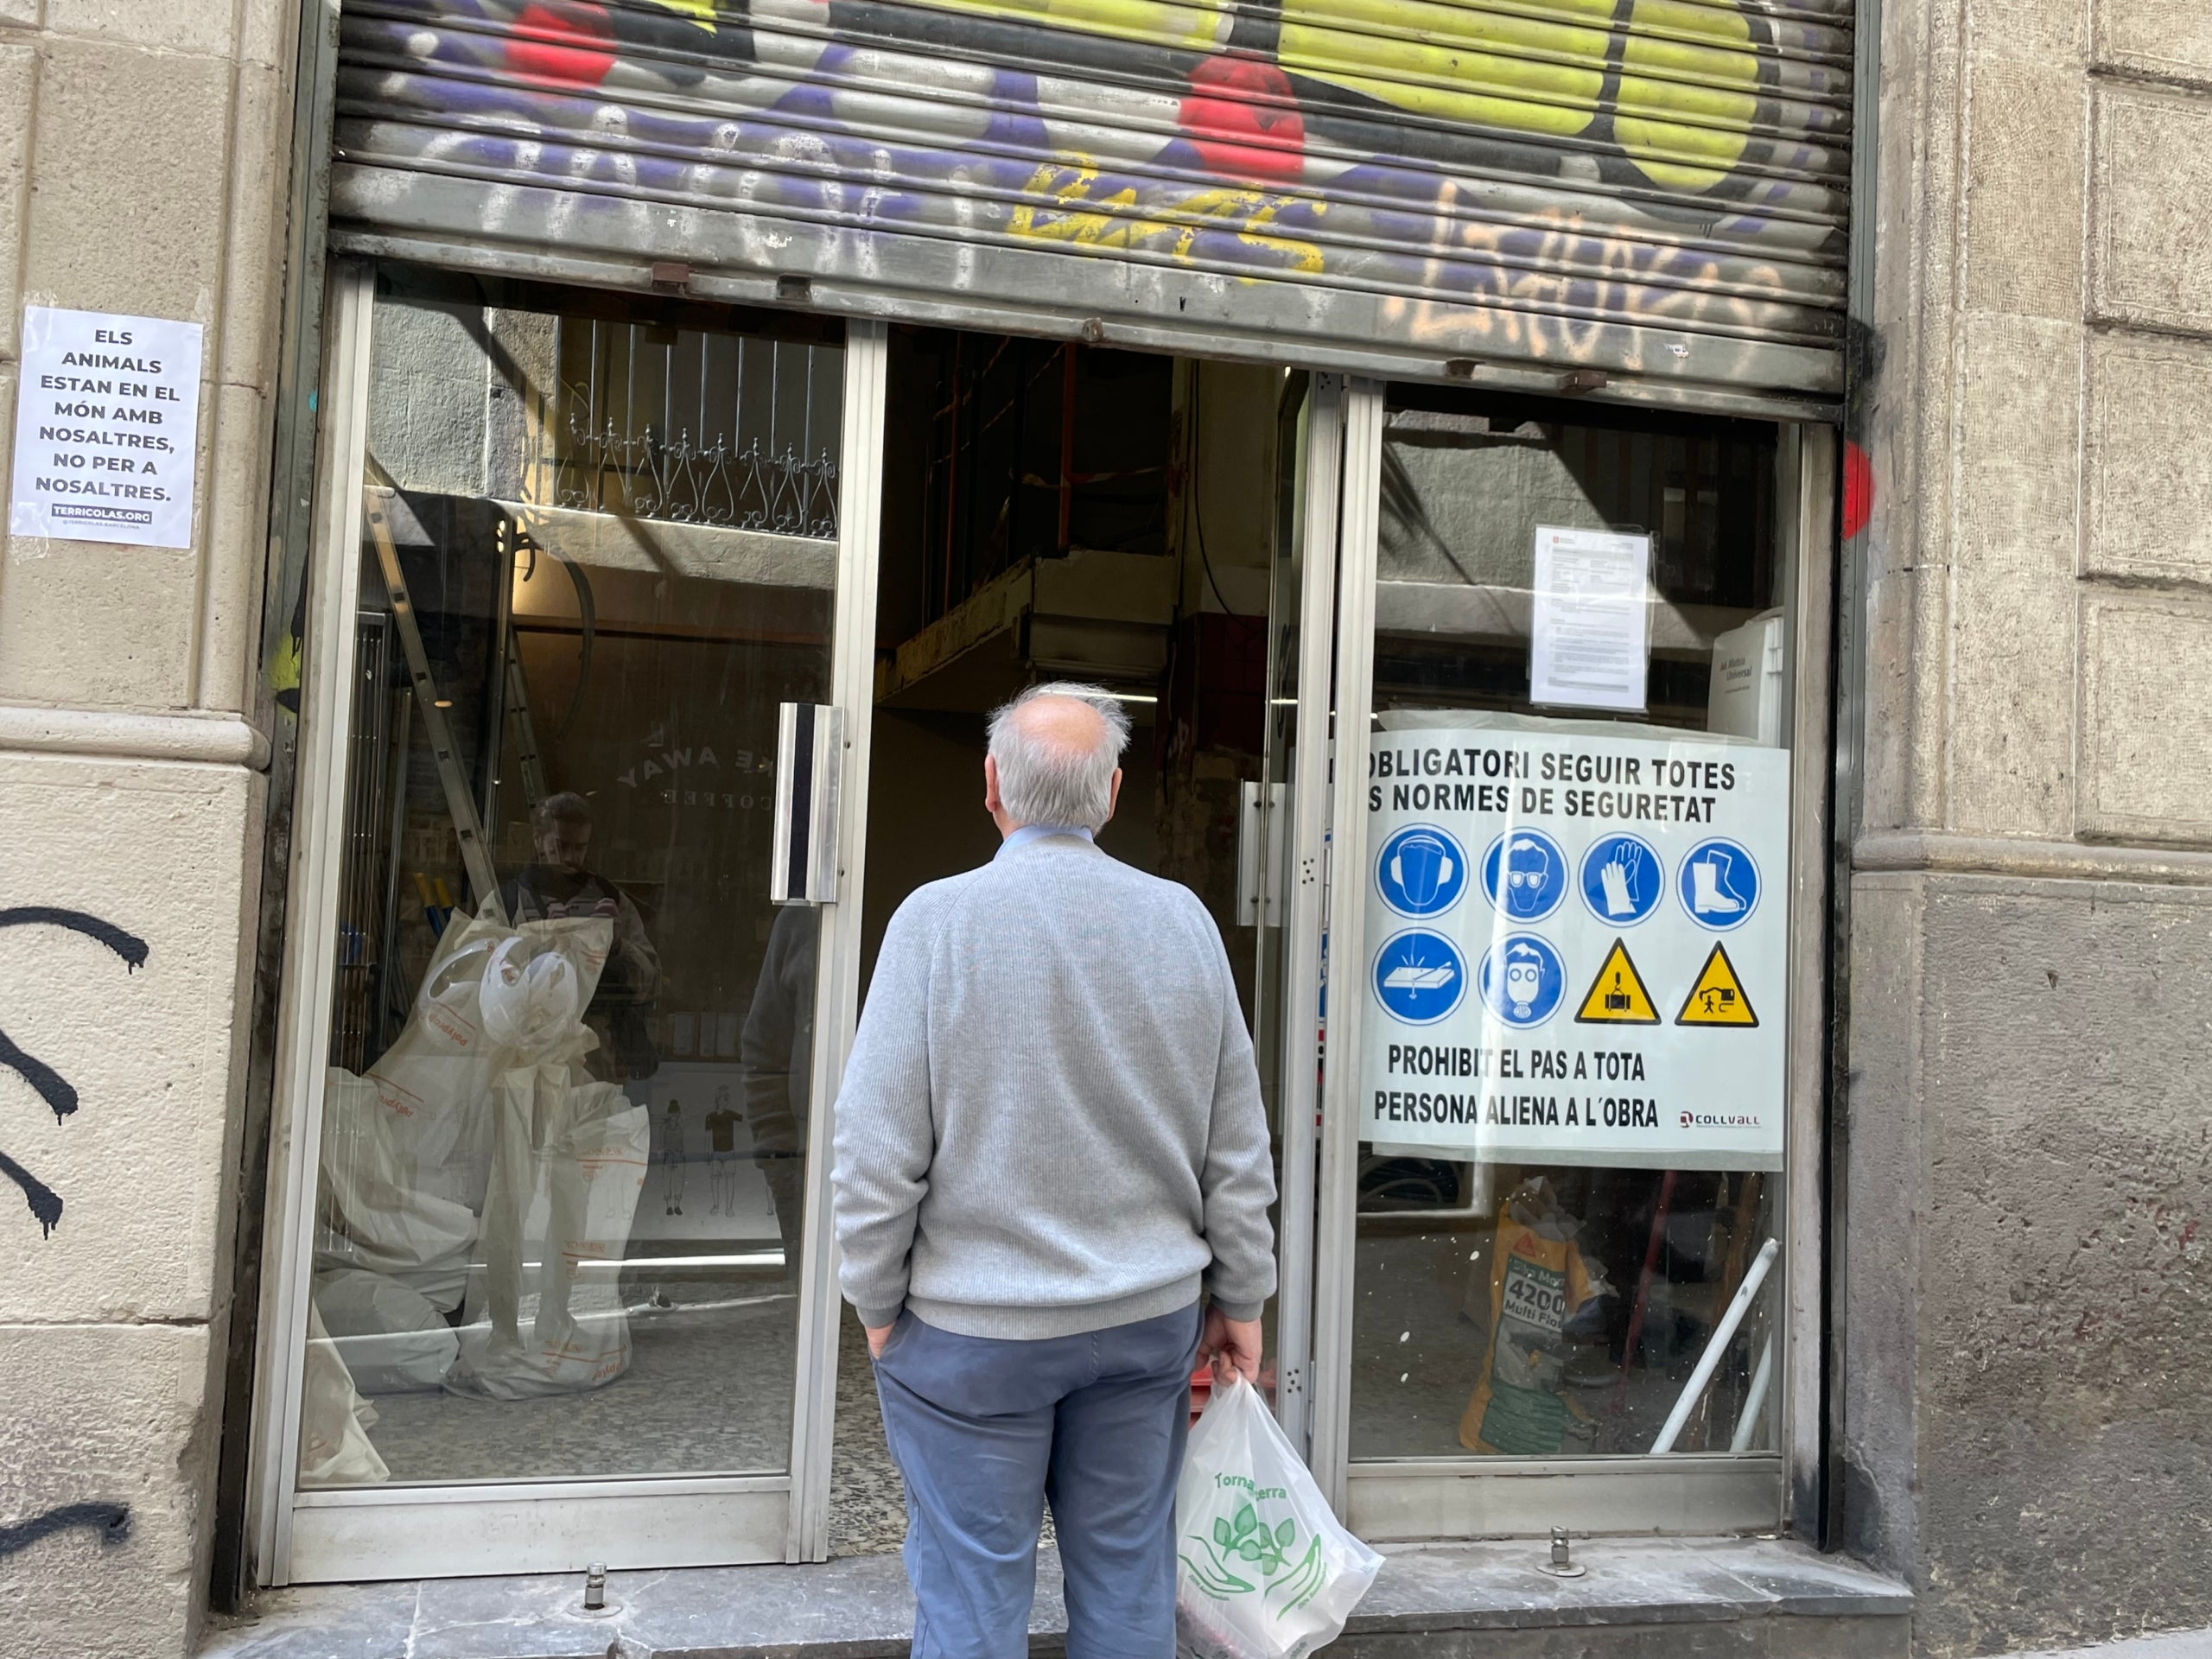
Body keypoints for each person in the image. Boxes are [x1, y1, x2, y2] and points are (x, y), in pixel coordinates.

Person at [833, 682, 1277, 1659]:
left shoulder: (934, 923)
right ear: (1113, 793)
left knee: (970, 1600)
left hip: (969, 1337)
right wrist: (1242, 1296)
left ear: (991, 785)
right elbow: (1236, 1147)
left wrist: (873, 1301)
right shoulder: (1185, 924)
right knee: (1127, 1585)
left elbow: (874, 1152)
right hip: (1141, 1327)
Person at [499, 791, 660, 1080]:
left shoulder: (611, 900)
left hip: (595, 1057)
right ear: (539, 841)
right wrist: (541, 946)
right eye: (561, 847)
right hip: (525, 1056)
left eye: (580, 848)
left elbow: (652, 982)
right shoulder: (509, 901)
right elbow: (480, 979)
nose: (572, 858)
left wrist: (619, 946)